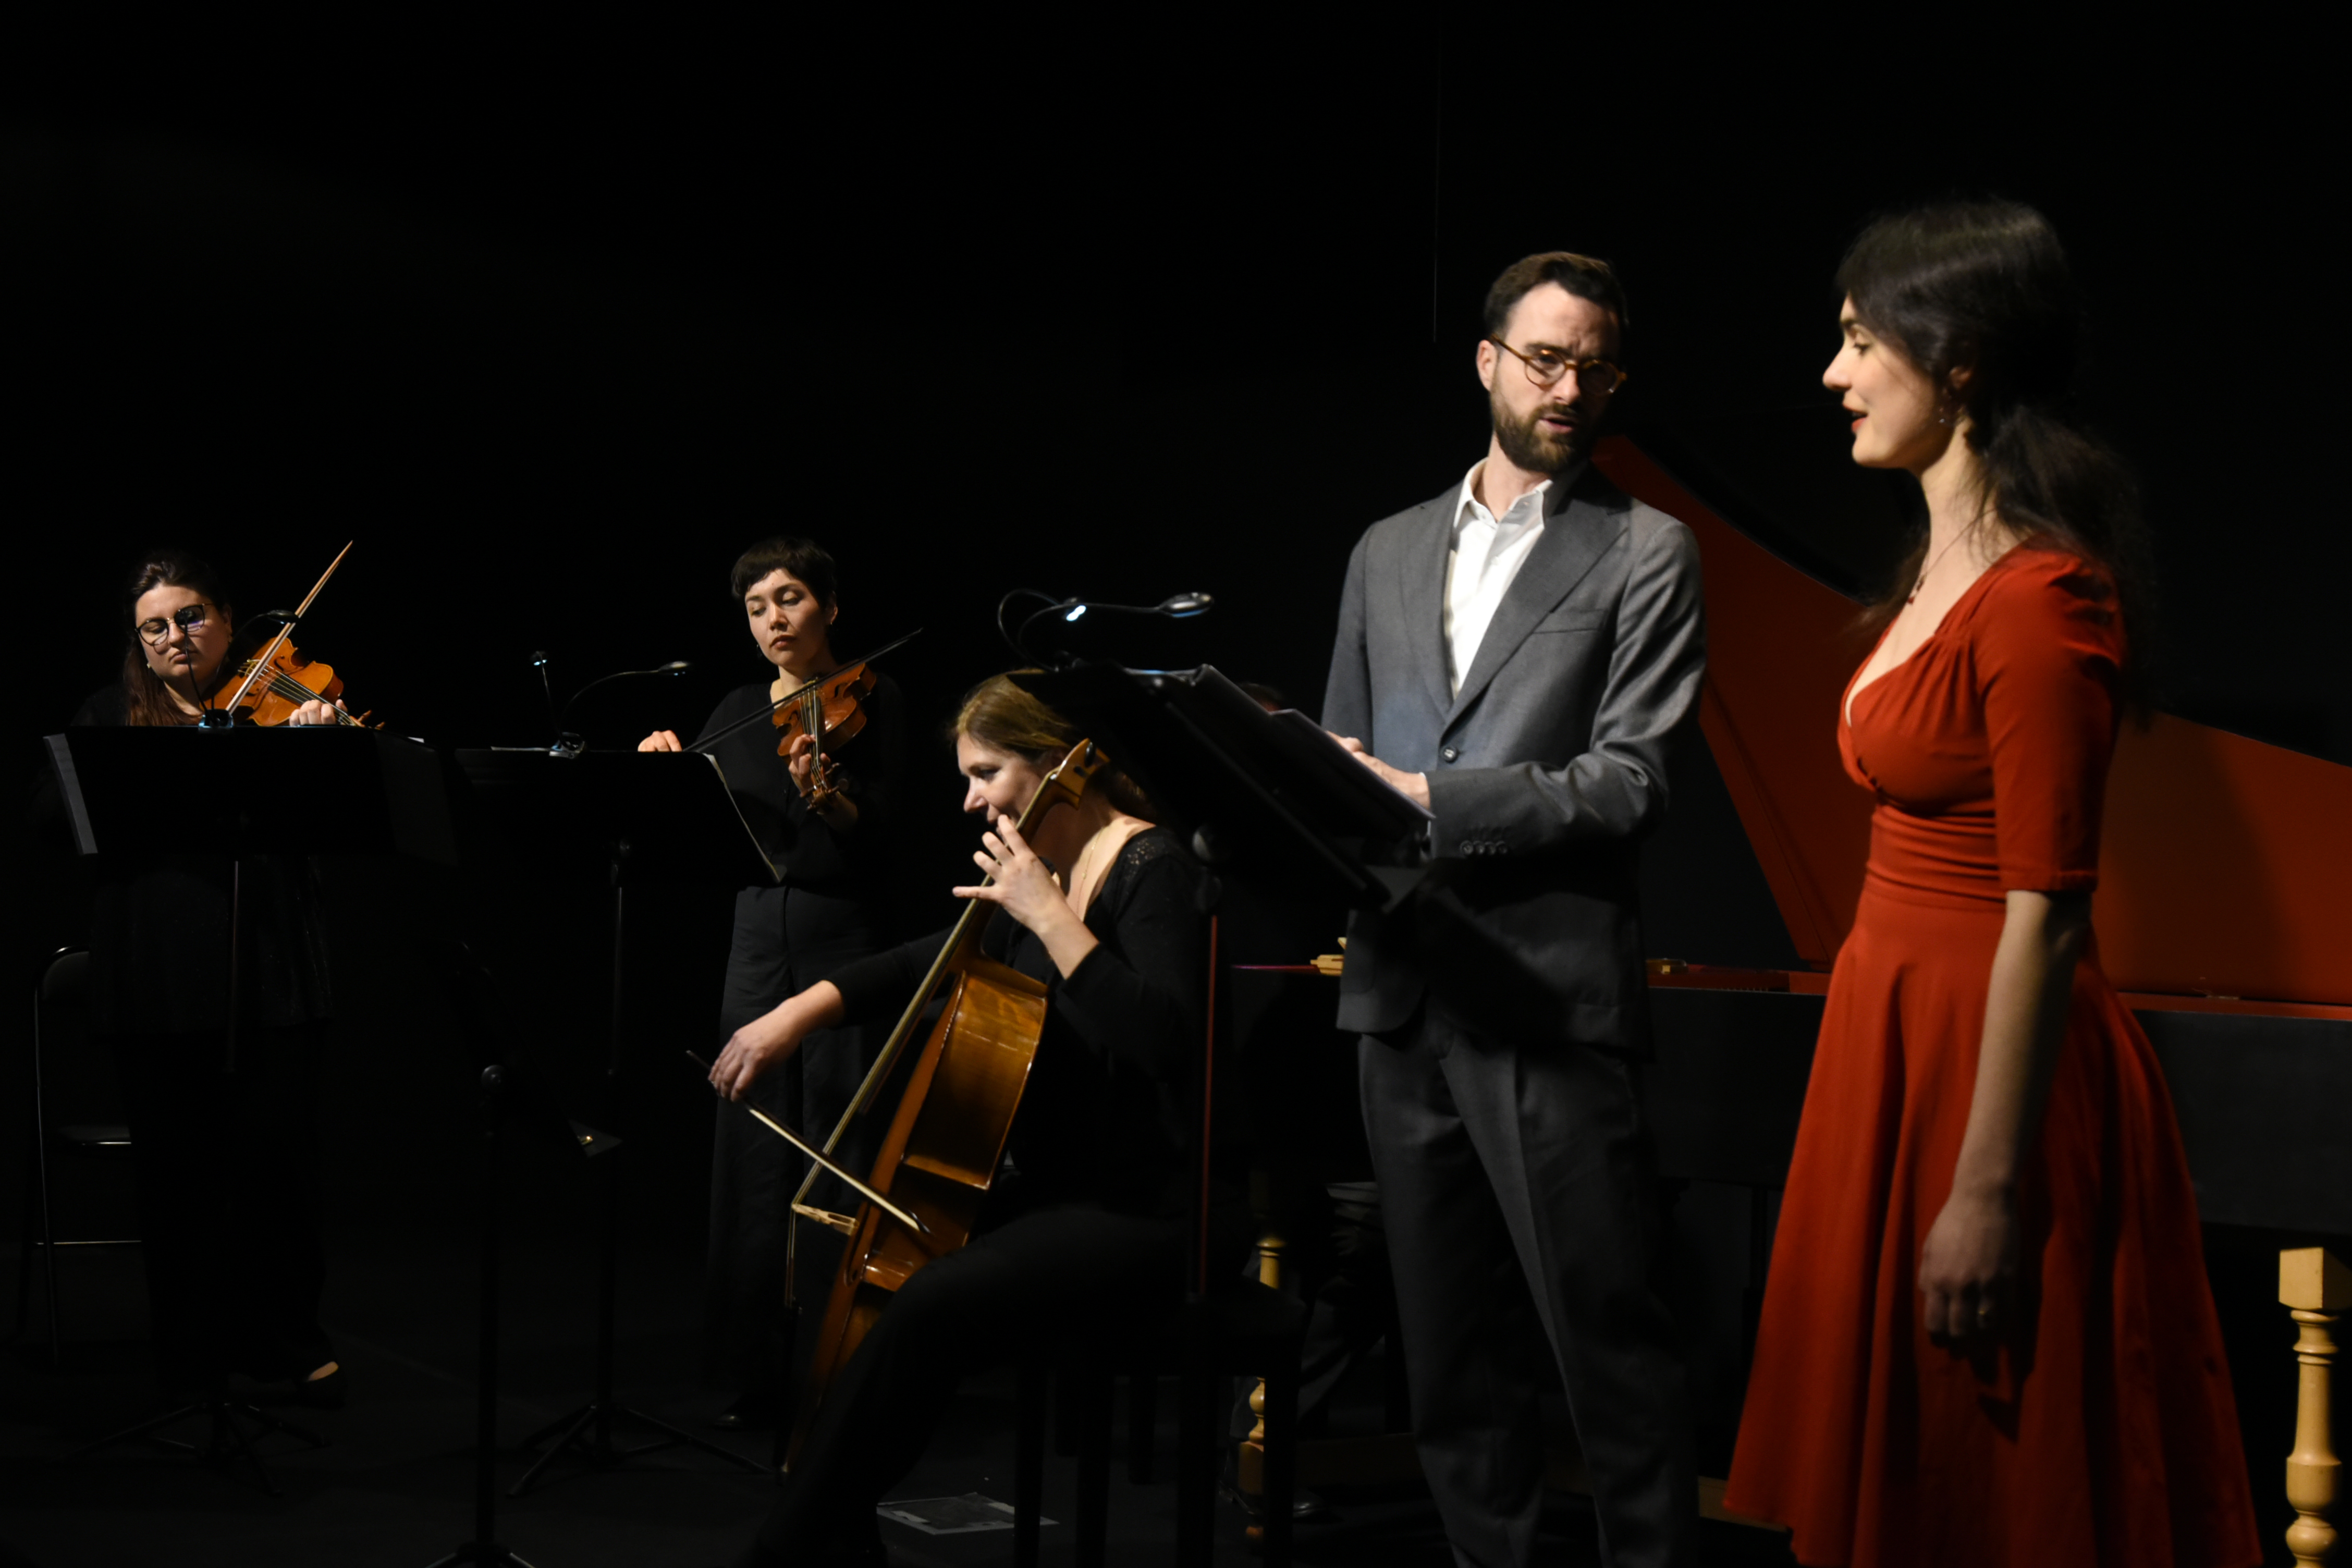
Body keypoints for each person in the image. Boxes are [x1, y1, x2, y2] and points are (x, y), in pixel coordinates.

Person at [1721, 202, 2262, 1567]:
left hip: (1982, 1067)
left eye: (1857, 340)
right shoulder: (1935, 571)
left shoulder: (2040, 597)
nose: (1834, 374)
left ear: (1955, 360)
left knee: (1993, 1473)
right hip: (1891, 1029)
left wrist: (1988, 1190)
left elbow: (2048, 904)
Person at [1323, 253, 1705, 1568]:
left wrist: (1431, 798)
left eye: (1595, 364)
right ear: (1486, 359)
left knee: (1608, 1350)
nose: (1570, 385)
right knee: (1448, 1364)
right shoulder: (1384, 549)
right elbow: (1339, 757)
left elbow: (1632, 779)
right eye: (1545, 357)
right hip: (1403, 993)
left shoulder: (1649, 548)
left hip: (1548, 998)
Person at [707, 673, 1212, 1565]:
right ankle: (831, 1539)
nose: (972, 799)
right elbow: (927, 960)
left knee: (930, 1301)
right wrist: (798, 1012)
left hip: (1149, 1209)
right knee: (860, 1264)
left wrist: (1052, 917)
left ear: (1056, 765)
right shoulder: (1040, 871)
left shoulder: (1149, 867)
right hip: (1059, 1189)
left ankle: (786, 1550)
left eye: (987, 773)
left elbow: (1168, 1043)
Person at [67, 548, 349, 1405]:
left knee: (277, 1169)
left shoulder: (282, 704)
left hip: (268, 972)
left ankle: (285, 1340)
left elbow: (342, 826)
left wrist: (322, 756)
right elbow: (59, 819)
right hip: (157, 980)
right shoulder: (111, 717)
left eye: (190, 617)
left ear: (228, 621)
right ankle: (189, 1353)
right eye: (155, 627)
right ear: (139, 644)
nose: (175, 637)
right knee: (177, 1180)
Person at [638, 536, 906, 1429]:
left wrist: (832, 800)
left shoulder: (878, 698)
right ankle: (756, 1370)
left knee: (839, 1143)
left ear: (830, 606)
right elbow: (697, 836)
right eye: (756, 608)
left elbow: (898, 845)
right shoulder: (738, 709)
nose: (773, 621)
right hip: (755, 941)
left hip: (844, 939)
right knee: (752, 1148)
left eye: (789, 599)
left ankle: (838, 1363)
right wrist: (667, 773)